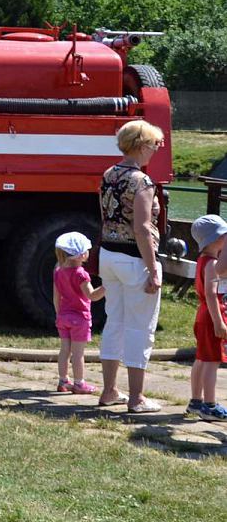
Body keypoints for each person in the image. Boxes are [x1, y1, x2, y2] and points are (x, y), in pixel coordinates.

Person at [95, 119, 166, 413]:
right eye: (154, 144)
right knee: (141, 327)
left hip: (108, 254)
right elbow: (142, 227)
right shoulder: (142, 182)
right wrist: (152, 268)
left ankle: (109, 390)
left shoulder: (109, 174)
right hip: (134, 258)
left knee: (115, 321)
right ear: (141, 145)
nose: (156, 150)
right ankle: (137, 398)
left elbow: (105, 215)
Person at [52, 231, 105, 395]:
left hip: (63, 317)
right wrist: (107, 287)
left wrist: (58, 314)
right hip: (79, 318)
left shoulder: (58, 271)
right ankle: (79, 383)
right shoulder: (81, 274)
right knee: (78, 354)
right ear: (81, 254)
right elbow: (92, 296)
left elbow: (56, 296)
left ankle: (63, 381)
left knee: (64, 350)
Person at [187, 215, 227, 421]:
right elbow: (211, 293)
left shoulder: (202, 260)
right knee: (212, 361)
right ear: (215, 239)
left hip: (202, 315)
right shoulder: (212, 264)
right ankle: (209, 405)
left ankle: (195, 401)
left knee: (201, 359)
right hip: (212, 316)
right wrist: (218, 321)